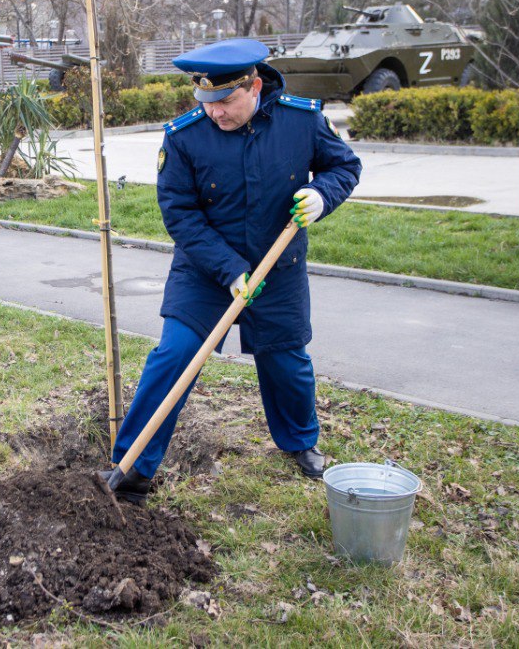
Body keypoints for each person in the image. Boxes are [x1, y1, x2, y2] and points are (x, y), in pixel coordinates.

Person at [107, 38, 361, 505]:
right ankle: (133, 467)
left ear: (255, 86)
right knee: (174, 355)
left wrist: (322, 195)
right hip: (205, 271)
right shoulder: (184, 136)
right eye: (205, 102)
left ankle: (299, 442)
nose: (214, 113)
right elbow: (179, 212)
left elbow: (343, 166)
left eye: (224, 101)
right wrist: (228, 269)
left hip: (278, 267)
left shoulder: (301, 120)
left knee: (286, 359)